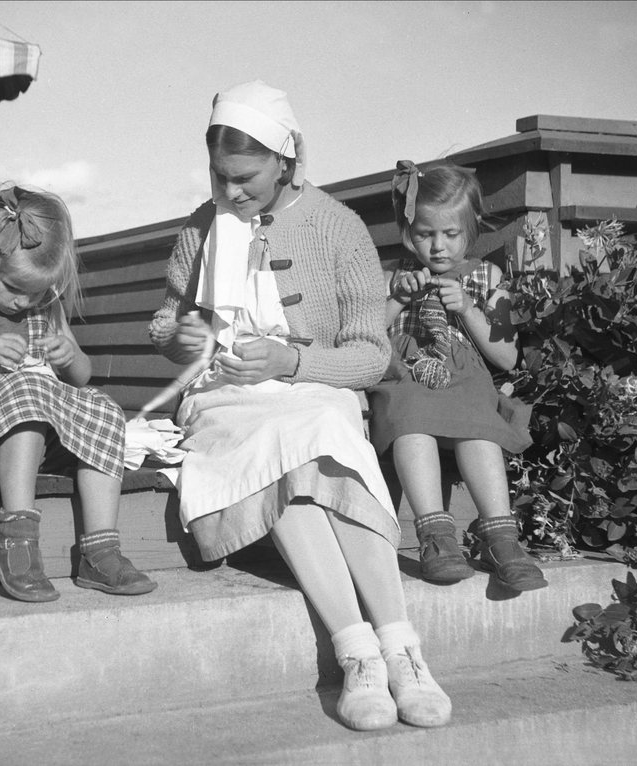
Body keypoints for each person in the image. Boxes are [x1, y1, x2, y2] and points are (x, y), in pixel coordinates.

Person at [149, 80, 450, 731]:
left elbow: (371, 357)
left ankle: (403, 650)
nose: (229, 192)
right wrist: (186, 336)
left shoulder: (337, 228)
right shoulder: (202, 227)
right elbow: (167, 327)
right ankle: (359, 654)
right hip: (226, 401)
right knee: (292, 445)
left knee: (314, 427)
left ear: (286, 159)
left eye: (244, 178)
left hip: (313, 392)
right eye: (218, 175)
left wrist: (292, 362)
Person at [0, 184, 156, 603]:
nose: (26, 301)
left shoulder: (45, 304)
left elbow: (80, 378)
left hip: (37, 440)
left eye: (38, 291)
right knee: (27, 394)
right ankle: (15, 537)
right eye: (15, 287)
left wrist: (69, 355)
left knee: (103, 408)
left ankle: (100, 550)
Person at [370, 161, 546, 592]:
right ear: (406, 230)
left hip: (464, 381)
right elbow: (363, 335)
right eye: (425, 233)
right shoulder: (393, 277)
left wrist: (468, 308)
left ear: (471, 231)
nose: (437, 247)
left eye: (450, 234)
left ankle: (501, 538)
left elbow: (507, 357)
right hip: (408, 376)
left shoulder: (489, 278)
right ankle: (435, 537)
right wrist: (395, 300)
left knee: (480, 431)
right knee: (410, 422)